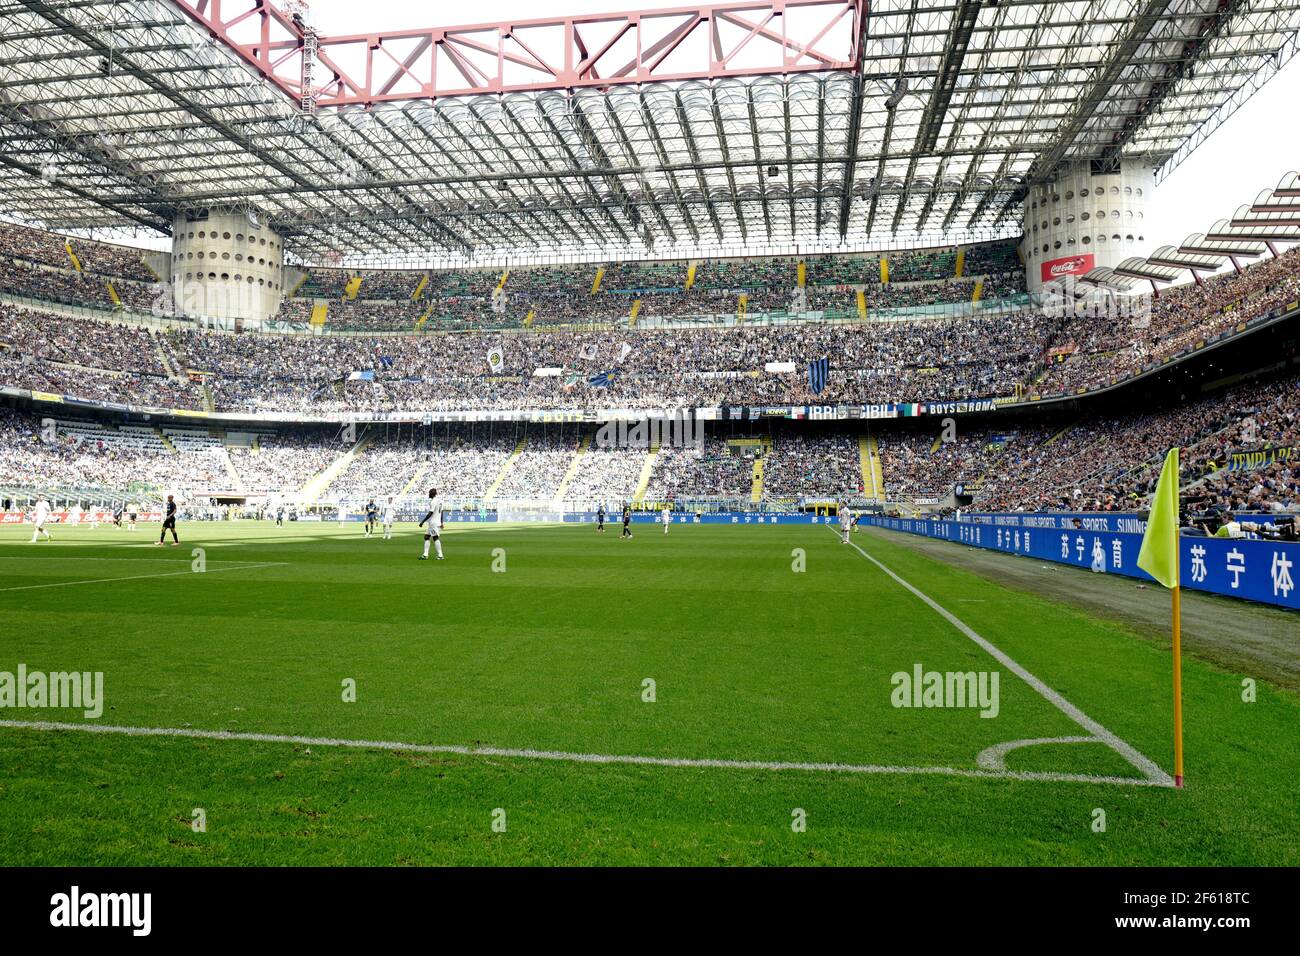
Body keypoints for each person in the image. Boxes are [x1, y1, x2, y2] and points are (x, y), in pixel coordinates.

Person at [418, 487, 444, 560]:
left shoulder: (433, 501)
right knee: (426, 536)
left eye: (429, 493)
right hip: (436, 522)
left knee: (435, 538)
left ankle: (440, 555)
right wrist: (441, 522)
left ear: (432, 494)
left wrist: (422, 521)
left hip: (433, 523)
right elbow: (442, 512)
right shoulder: (440, 501)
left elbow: (430, 513)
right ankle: (425, 555)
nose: (428, 494)